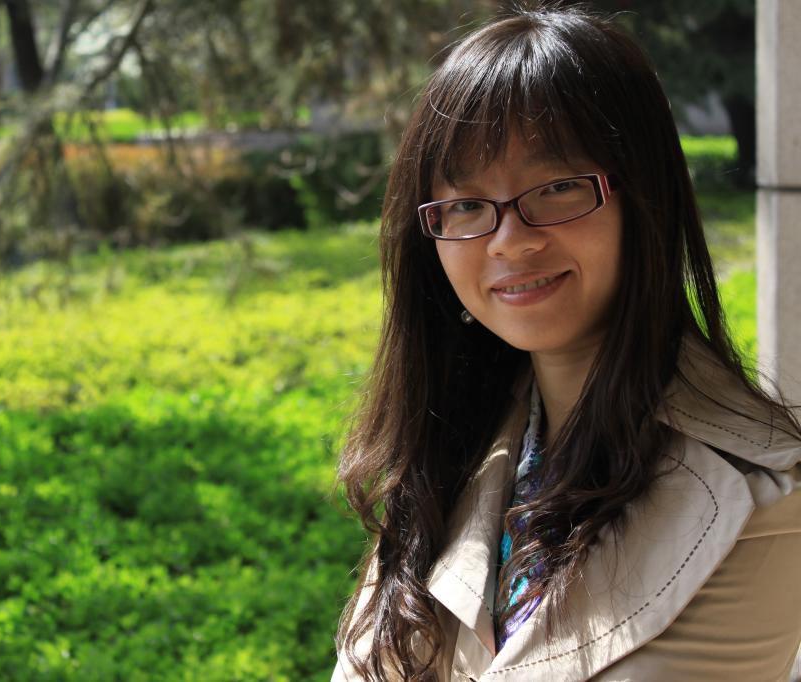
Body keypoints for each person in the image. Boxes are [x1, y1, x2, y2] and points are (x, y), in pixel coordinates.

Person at [331, 5, 801, 682]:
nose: (510, 241)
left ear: (645, 197)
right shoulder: (445, 451)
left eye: (556, 189)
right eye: (466, 205)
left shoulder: (758, 499)